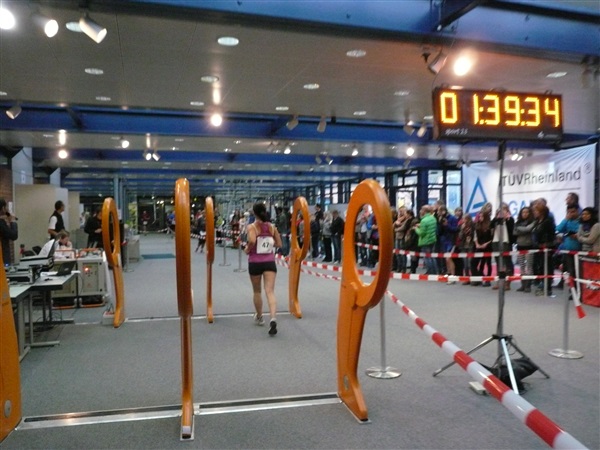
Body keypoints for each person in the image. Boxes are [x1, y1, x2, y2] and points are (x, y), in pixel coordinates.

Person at [244, 202, 282, 336]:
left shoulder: (252, 227)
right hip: (269, 262)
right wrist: (270, 244)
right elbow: (279, 243)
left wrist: (247, 249)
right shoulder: (272, 227)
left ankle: (260, 317)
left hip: (255, 262)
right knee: (270, 291)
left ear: (254, 213)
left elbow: (252, 241)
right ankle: (273, 318)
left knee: (257, 291)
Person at [532, 203, 556, 296]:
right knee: (541, 267)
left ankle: (548, 288)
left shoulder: (548, 221)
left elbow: (551, 235)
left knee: (547, 267)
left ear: (541, 212)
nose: (534, 212)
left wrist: (547, 244)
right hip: (538, 247)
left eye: (536, 211)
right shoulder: (537, 221)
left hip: (547, 247)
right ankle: (543, 286)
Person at [490, 203, 515, 290]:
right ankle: (499, 282)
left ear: (507, 210)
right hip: (496, 241)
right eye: (501, 209)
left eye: (504, 209)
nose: (502, 211)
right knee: (498, 263)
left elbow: (511, 230)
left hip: (506, 242)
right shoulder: (496, 219)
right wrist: (496, 218)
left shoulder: (510, 219)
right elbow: (491, 225)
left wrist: (506, 219)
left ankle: (507, 283)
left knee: (507, 262)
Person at [555, 205, 581, 287]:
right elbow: (558, 229)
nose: (571, 214)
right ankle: (568, 286)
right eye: (569, 212)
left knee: (576, 270)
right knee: (567, 269)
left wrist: (577, 235)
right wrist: (565, 219)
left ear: (577, 211)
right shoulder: (567, 221)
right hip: (567, 249)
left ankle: (576, 288)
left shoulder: (581, 221)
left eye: (573, 212)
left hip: (579, 249)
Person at [514, 206, 535, 292]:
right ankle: (523, 284)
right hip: (520, 246)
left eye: (527, 212)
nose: (525, 214)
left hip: (529, 246)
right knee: (521, 266)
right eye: (523, 212)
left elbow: (528, 229)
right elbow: (514, 232)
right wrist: (523, 230)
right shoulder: (518, 222)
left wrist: (520, 229)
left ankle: (528, 285)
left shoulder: (533, 221)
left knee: (529, 266)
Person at [414, 205, 438, 275]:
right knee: (432, 257)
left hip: (425, 241)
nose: (420, 211)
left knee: (427, 258)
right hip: (432, 239)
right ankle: (435, 272)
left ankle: (430, 272)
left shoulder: (424, 220)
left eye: (421, 210)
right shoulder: (433, 218)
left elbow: (421, 233)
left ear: (424, 211)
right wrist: (421, 225)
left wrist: (416, 229)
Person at [0, 198, 18, 266]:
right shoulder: (1, 223)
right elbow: (14, 235)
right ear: (3, 208)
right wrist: (12, 221)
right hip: (3, 258)